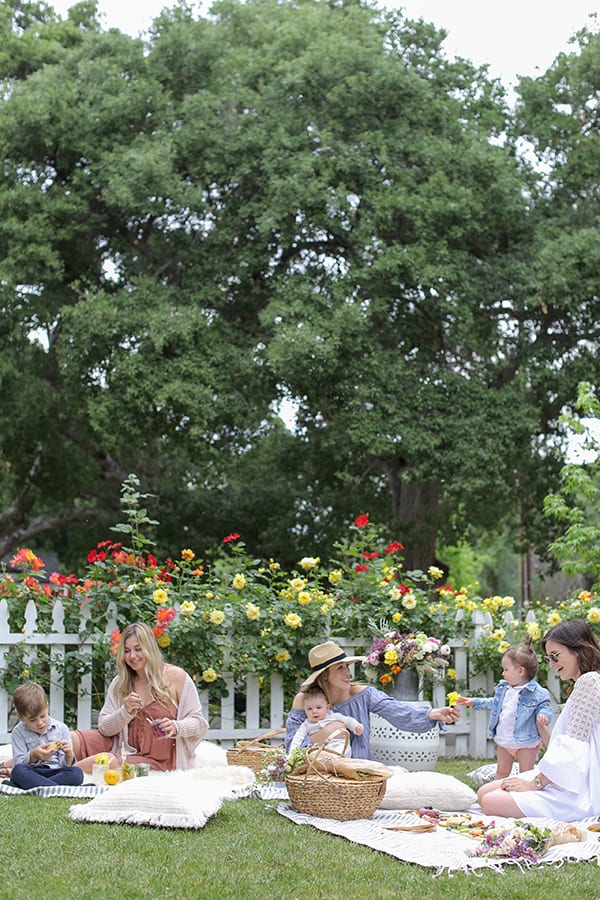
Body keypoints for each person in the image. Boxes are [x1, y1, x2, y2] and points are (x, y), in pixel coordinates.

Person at [478, 618, 600, 822]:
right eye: (548, 659)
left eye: (555, 656)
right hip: (563, 775)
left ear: (578, 650)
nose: (551, 664)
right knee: (483, 793)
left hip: (578, 786)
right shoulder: (584, 682)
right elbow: (566, 741)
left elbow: (574, 745)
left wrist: (535, 783)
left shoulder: (590, 682)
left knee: (490, 801)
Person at [71, 621, 209, 772]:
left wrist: (176, 727)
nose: (132, 656)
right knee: (70, 739)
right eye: (127, 651)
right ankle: (54, 771)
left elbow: (200, 724)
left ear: (149, 648)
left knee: (106, 761)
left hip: (159, 760)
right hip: (123, 748)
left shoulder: (176, 677)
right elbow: (104, 728)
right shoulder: (121, 682)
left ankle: (63, 776)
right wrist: (125, 712)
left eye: (138, 649)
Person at [285, 640, 459, 759]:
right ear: (324, 676)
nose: (348, 673)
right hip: (317, 773)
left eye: (347, 666)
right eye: (340, 668)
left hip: (360, 775)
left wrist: (433, 713)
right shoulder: (304, 701)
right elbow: (291, 747)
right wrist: (330, 732)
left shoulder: (362, 694)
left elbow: (397, 711)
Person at [456, 640, 552, 777]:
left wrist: (544, 715)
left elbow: (544, 707)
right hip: (504, 740)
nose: (503, 673)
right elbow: (494, 703)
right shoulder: (505, 689)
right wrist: (474, 702)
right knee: (501, 772)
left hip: (525, 743)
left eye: (506, 669)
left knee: (526, 774)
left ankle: (523, 796)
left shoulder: (537, 693)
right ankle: (498, 794)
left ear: (520, 671)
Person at [10, 682, 84, 789]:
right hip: (33, 772)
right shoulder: (18, 732)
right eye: (33, 720)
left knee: (77, 773)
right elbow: (18, 763)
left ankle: (42, 787)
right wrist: (33, 755)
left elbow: (65, 765)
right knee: (18, 772)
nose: (40, 723)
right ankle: (57, 789)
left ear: (47, 706)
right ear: (21, 717)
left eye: (42, 716)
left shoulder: (61, 728)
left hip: (55, 771)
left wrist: (68, 754)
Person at [288, 685, 364, 756]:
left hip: (338, 745)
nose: (314, 711)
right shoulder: (306, 724)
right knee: (313, 755)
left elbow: (348, 720)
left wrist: (356, 727)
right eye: (309, 709)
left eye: (318, 707)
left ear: (327, 708)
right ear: (305, 710)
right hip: (320, 750)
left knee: (340, 751)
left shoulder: (333, 716)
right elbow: (298, 738)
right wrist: (292, 754)